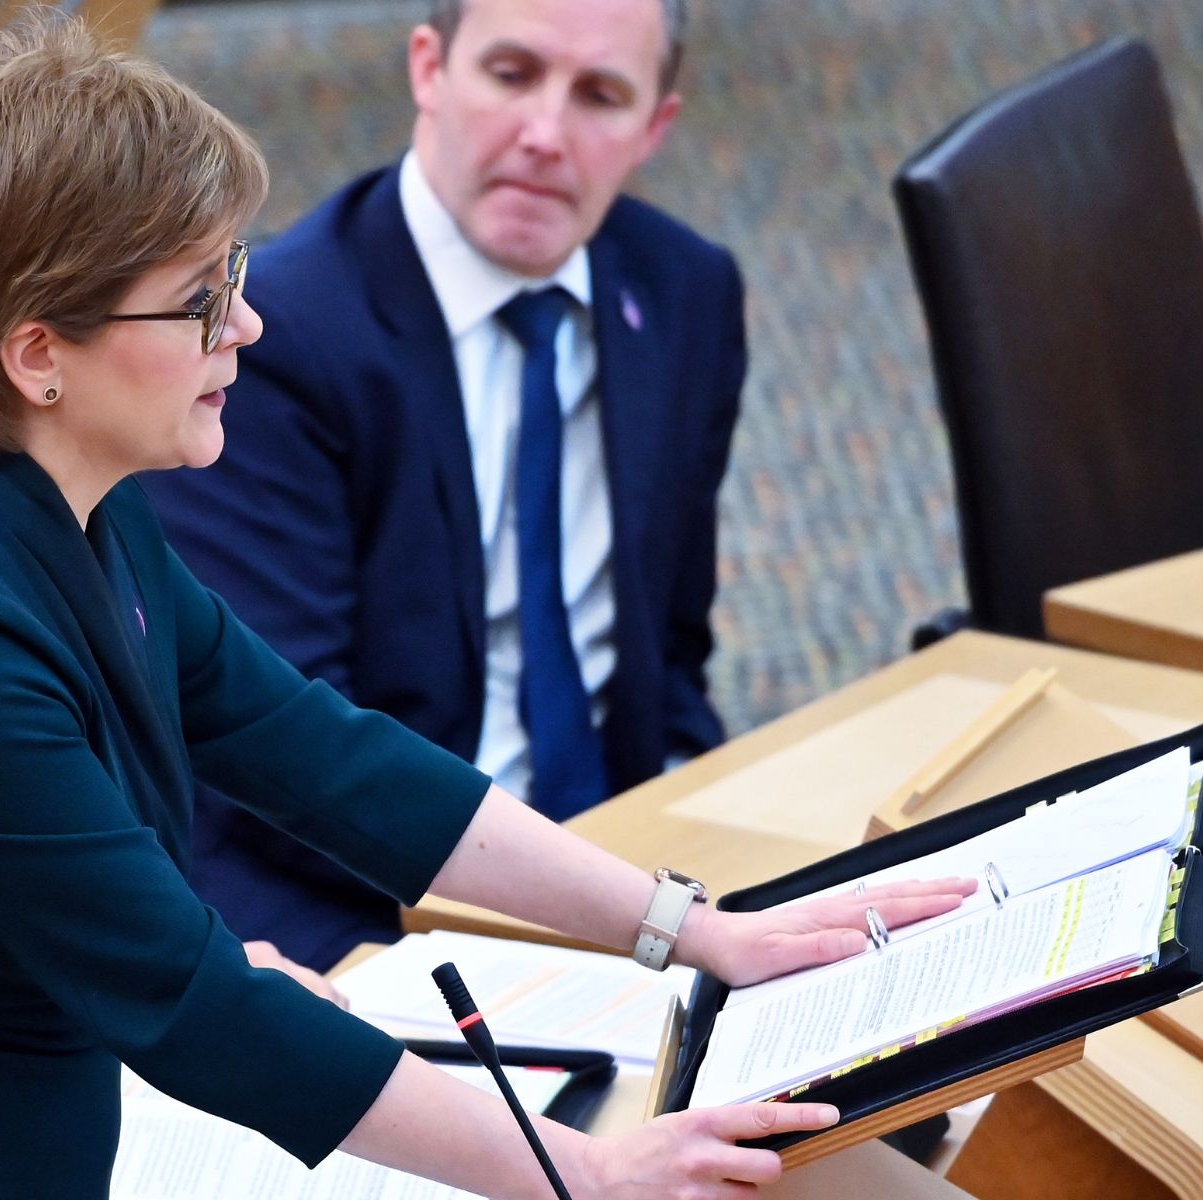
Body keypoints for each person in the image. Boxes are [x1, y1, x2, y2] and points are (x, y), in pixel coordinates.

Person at [0, 13, 969, 1200]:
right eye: (200, 302)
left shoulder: (67, 490)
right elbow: (195, 999)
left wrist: (700, 930)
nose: (247, 331)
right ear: (38, 353)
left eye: (238, 276)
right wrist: (588, 1174)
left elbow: (321, 755)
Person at [144, 0, 749, 970]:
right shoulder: (278, 339)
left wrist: (689, 867)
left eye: (600, 95)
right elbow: (284, 767)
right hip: (369, 896)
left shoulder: (685, 292)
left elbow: (671, 650)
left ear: (654, 127)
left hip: (628, 857)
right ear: (428, 68)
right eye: (511, 74)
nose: (544, 135)